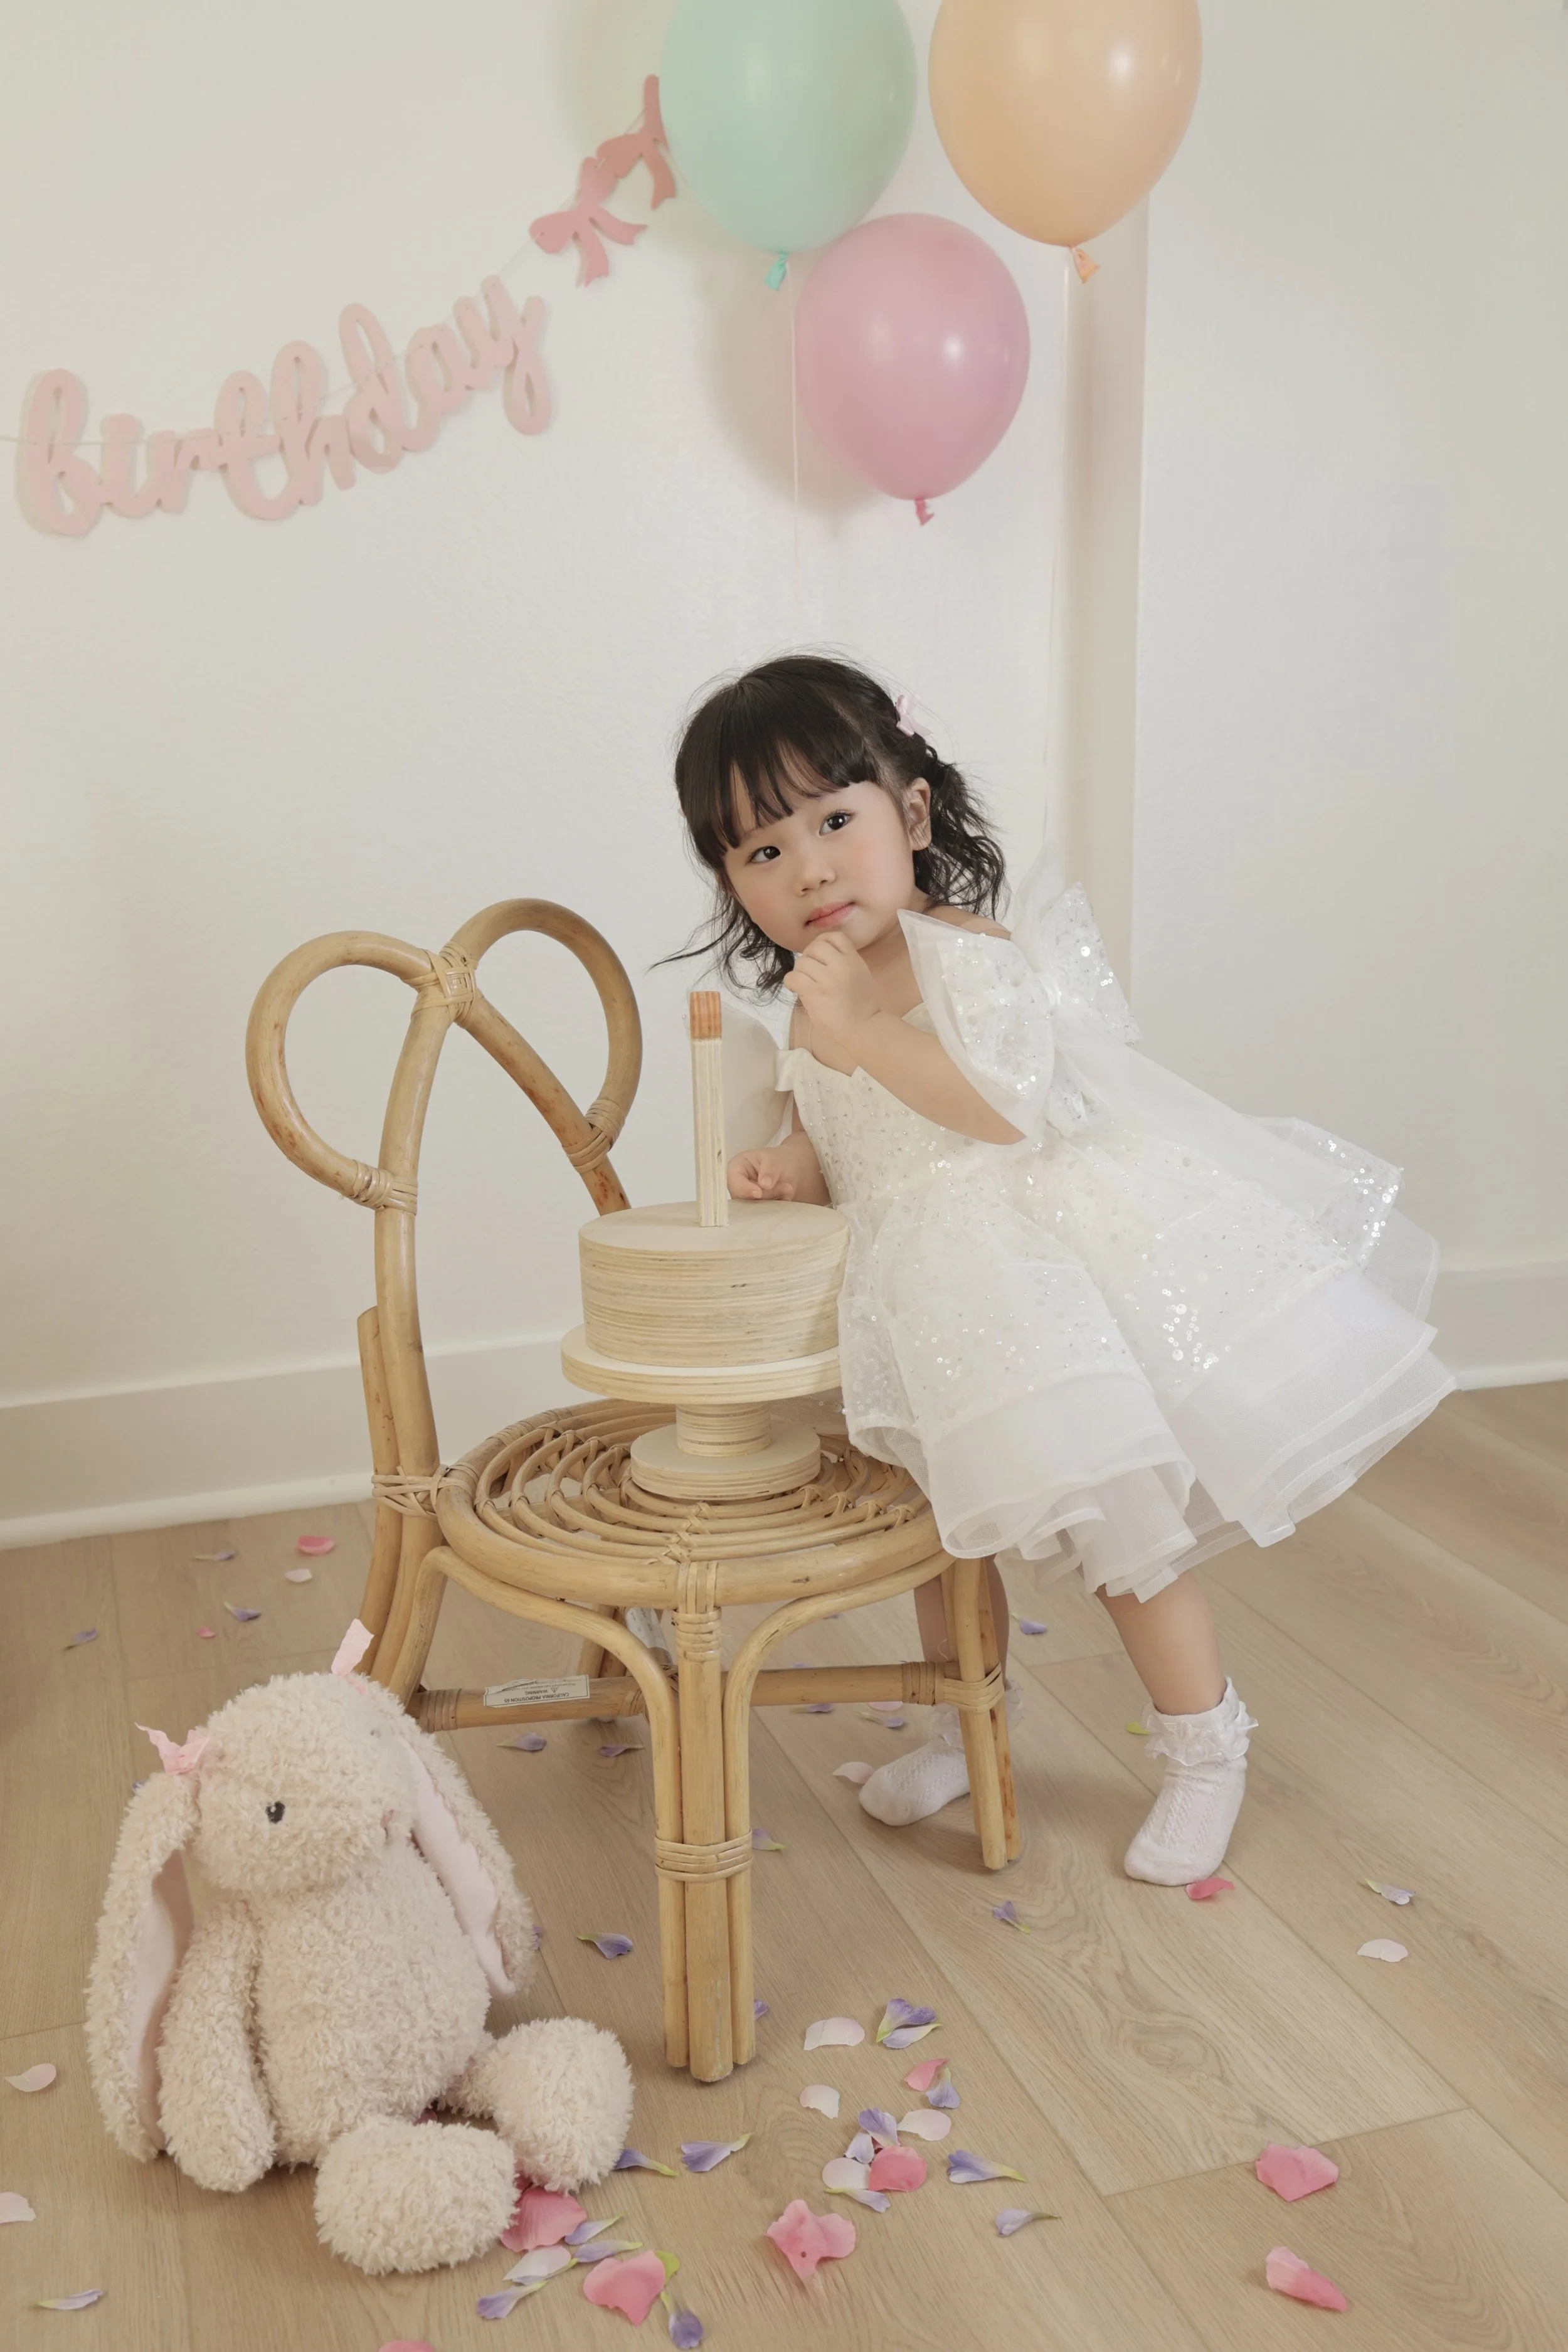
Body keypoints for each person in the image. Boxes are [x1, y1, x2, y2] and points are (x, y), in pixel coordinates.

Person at [665, 653, 1453, 1883]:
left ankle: (1204, 1745)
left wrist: (866, 1033)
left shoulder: (960, 953)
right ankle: (961, 1718)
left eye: (833, 820)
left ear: (909, 815)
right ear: (728, 881)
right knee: (944, 1534)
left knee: (1119, 1534)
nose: (808, 866)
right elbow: (840, 1138)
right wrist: (787, 1167)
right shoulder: (807, 1008)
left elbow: (995, 1108)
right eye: (761, 851)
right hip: (914, 1295)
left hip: (1025, 1272)